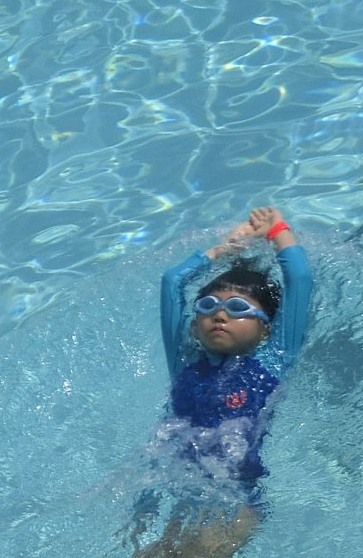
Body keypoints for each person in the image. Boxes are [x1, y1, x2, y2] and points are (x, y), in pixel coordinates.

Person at [132, 206, 311, 558]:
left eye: (238, 308)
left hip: (236, 501)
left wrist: (277, 230)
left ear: (266, 330)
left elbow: (300, 278)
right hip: (186, 494)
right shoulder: (185, 362)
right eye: (209, 305)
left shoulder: (274, 359)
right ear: (195, 325)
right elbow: (172, 281)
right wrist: (224, 249)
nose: (220, 314)